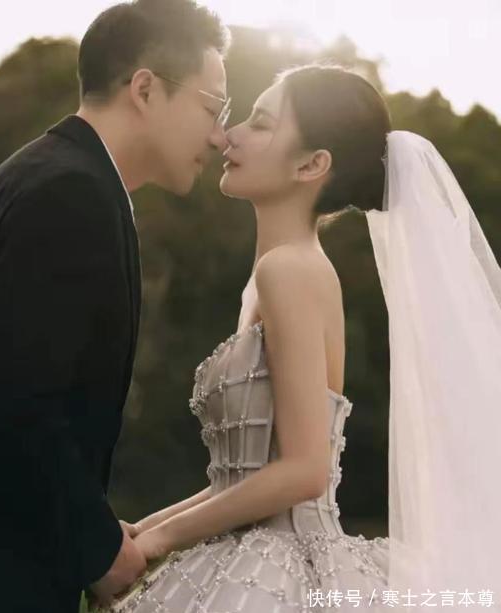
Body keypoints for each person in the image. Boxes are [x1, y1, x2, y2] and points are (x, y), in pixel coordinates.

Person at [0, 1, 230, 611]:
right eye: (213, 108)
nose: (218, 136)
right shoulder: (71, 195)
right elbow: (15, 407)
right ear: (144, 89)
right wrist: (98, 550)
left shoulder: (51, 172)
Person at [98, 64, 501, 612]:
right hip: (249, 551)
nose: (230, 134)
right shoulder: (270, 275)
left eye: (261, 124)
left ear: (312, 164)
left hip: (286, 567)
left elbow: (305, 470)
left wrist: (159, 543)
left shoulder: (290, 270)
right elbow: (241, 479)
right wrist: (143, 531)